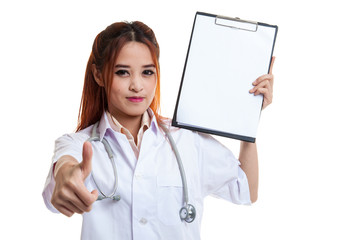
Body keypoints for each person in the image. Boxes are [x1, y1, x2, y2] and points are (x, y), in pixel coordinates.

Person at [42, 21, 275, 240]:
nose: (137, 85)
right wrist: (65, 175)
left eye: (147, 72)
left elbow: (246, 189)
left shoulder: (186, 138)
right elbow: (64, 171)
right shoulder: (79, 144)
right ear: (98, 75)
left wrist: (249, 113)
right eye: (122, 72)